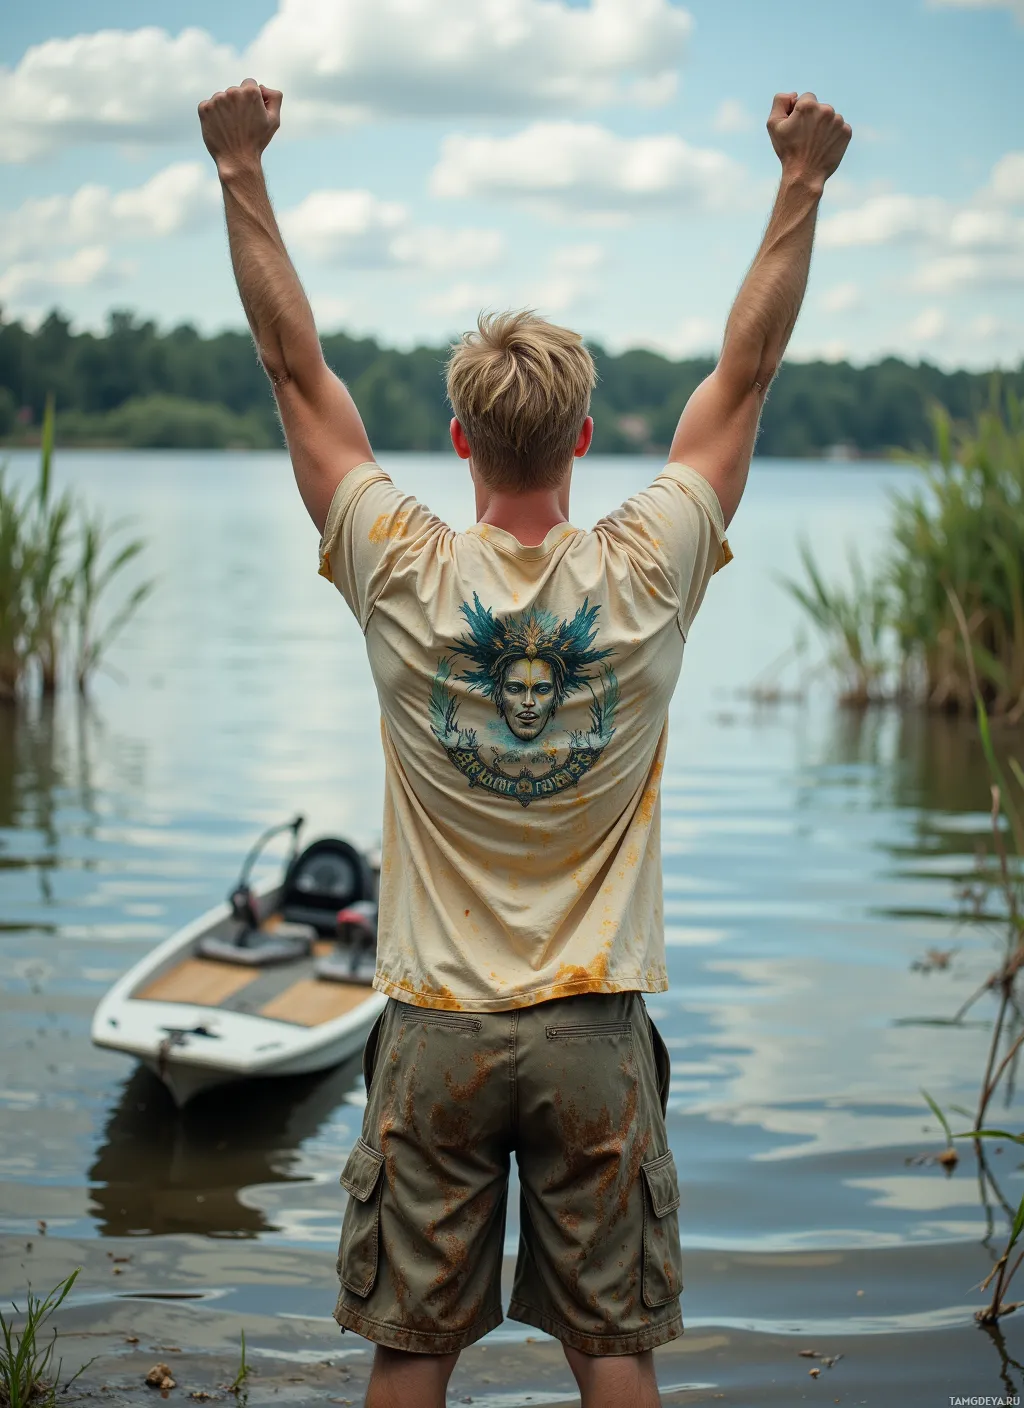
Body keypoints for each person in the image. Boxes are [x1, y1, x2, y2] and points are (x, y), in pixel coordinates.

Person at [199, 82, 851, 1408]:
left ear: (458, 443)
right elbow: (747, 375)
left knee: (411, 1347)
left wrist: (240, 169)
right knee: (612, 1348)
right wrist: (801, 186)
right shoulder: (651, 565)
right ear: (585, 439)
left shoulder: (397, 564)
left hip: (437, 1027)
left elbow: (292, 369)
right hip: (591, 1030)